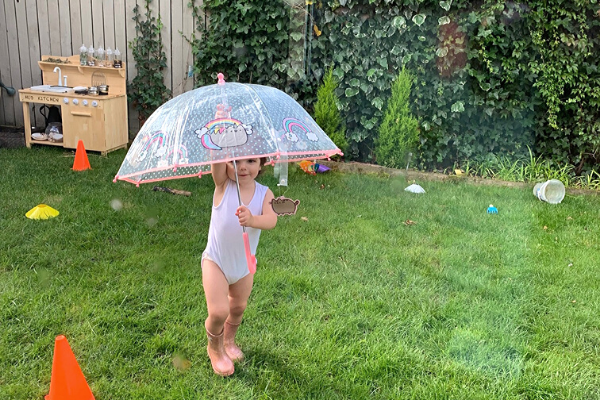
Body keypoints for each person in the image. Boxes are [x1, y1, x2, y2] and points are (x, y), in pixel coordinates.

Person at [202, 157, 277, 376]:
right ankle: (214, 348)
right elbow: (217, 162)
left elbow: (271, 220)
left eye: (251, 161)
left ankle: (228, 341)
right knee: (218, 311)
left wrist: (253, 219)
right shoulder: (223, 184)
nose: (242, 167)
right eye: (235, 161)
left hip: (244, 264)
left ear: (262, 164)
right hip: (216, 261)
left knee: (237, 308)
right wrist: (219, 141)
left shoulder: (265, 194)